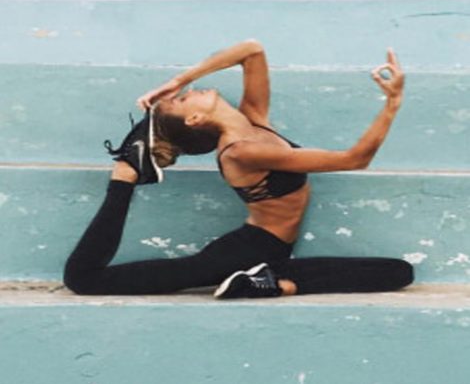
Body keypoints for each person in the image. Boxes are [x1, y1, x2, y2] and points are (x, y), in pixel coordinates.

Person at [63, 40, 413, 298]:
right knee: (85, 280)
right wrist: (393, 103)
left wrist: (178, 80)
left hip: (271, 250)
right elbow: (355, 159)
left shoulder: (253, 119)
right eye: (183, 99)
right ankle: (125, 176)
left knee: (398, 272)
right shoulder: (243, 152)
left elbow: (252, 51)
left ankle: (264, 281)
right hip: (245, 252)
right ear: (195, 118)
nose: (189, 91)